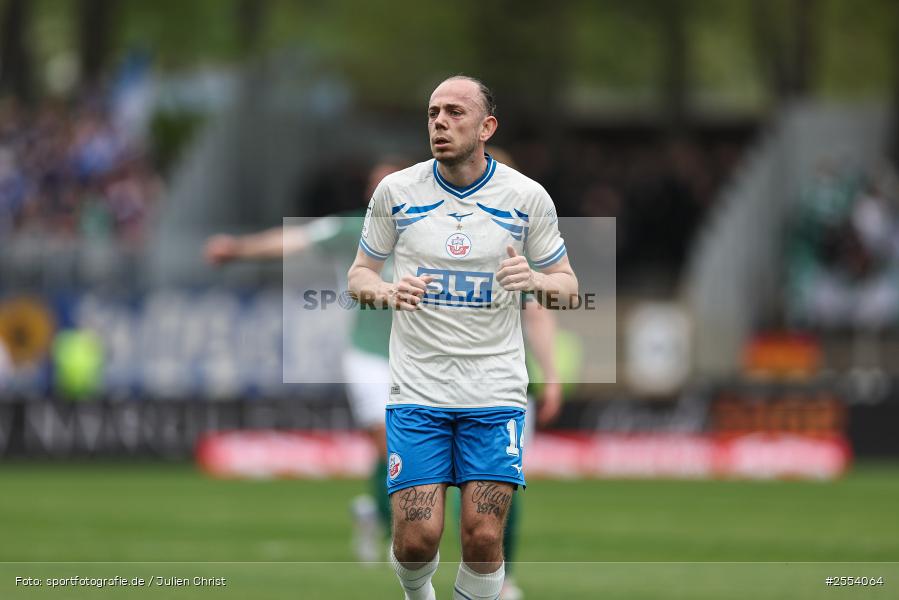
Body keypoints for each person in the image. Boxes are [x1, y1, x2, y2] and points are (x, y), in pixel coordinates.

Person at [347, 75, 577, 600]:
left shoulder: (526, 198)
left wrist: (537, 281)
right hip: (418, 393)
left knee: (483, 536)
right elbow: (358, 275)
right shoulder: (397, 192)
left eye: (454, 112)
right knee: (415, 540)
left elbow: (567, 287)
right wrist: (384, 293)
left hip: (495, 394)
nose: (440, 123)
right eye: (433, 113)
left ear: (486, 126)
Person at [204, 160, 406, 562]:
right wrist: (239, 249)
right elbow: (294, 240)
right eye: (373, 185)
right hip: (369, 355)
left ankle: (377, 516)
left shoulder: (433, 231)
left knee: (408, 451)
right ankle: (397, 535)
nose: (379, 192)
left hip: (419, 358)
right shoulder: (353, 230)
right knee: (390, 443)